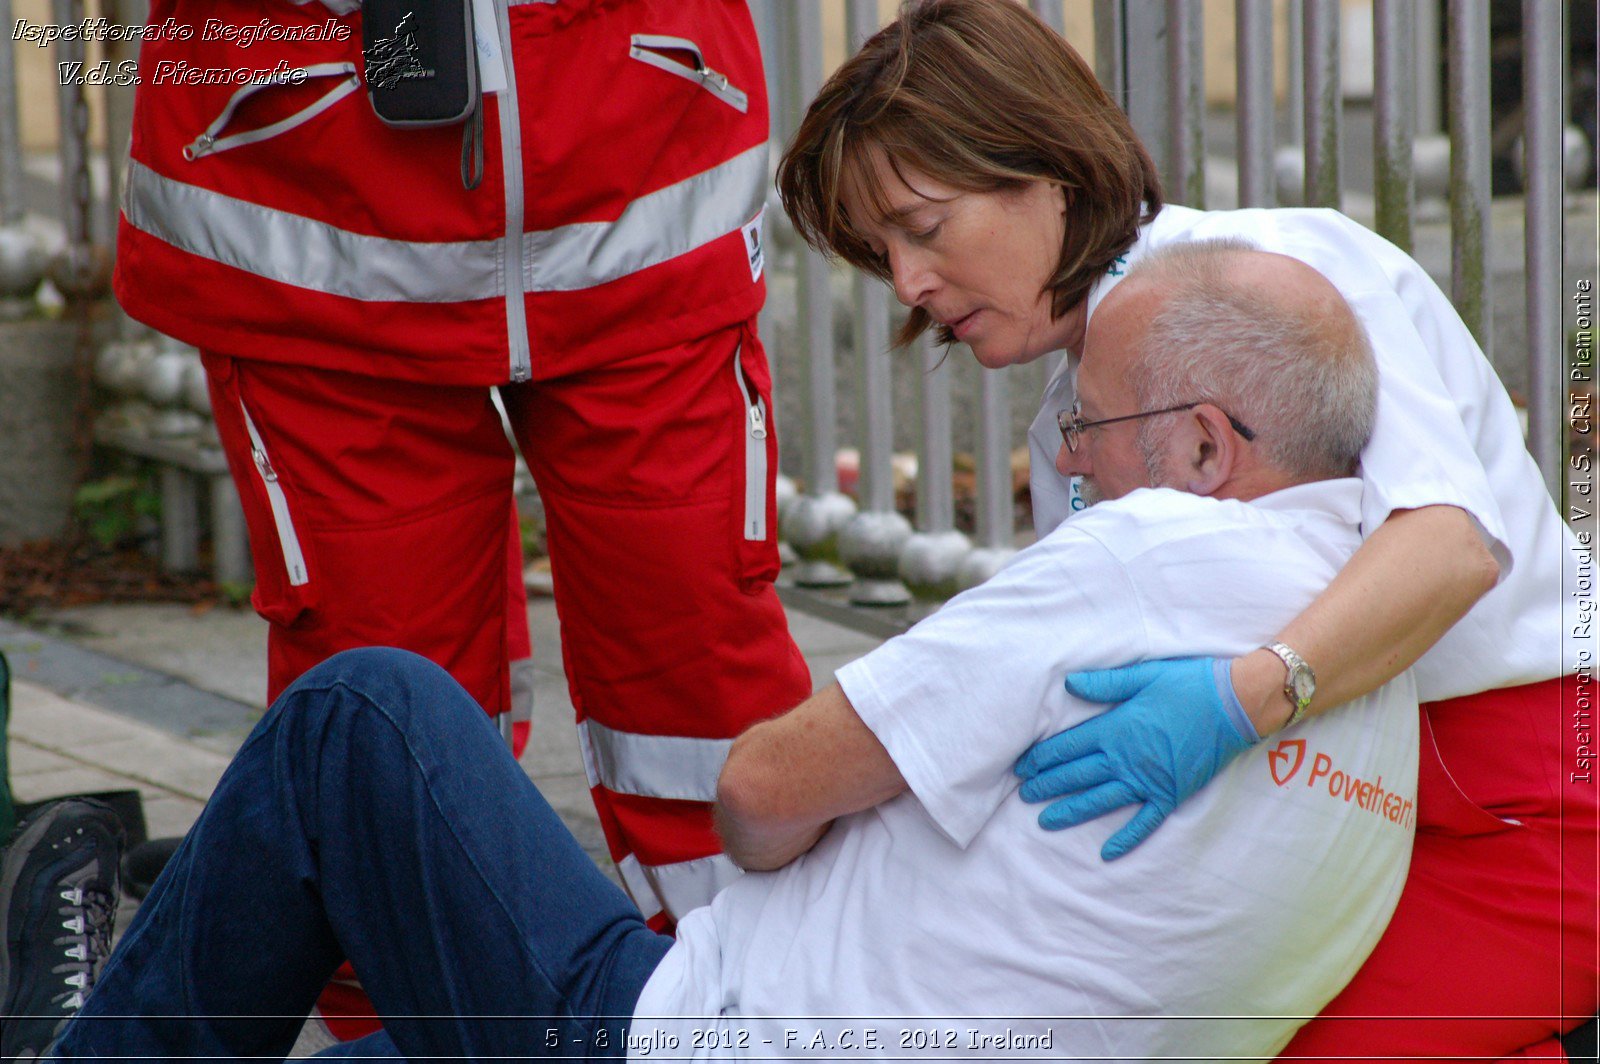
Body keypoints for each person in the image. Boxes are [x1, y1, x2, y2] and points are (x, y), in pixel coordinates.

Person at [25, 242, 1418, 1061]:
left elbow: (758, 796)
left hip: (682, 1031)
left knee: (367, 719)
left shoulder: (1155, 551)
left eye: (1091, 430)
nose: (1067, 462)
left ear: (1199, 445)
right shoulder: (1378, 691)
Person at [773, 0, 1596, 1057]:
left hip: (1523, 806)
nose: (908, 284)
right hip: (1318, 810)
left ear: (1049, 169)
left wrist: (1241, 697)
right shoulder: (1061, 421)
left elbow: (1448, 545)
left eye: (924, 229)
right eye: (876, 250)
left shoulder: (1276, 272)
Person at [112, 0, 812, 1031]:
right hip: (312, 194)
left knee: (699, 685)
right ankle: (410, 1038)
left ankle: (765, 1019)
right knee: (378, 719)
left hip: (637, 142)